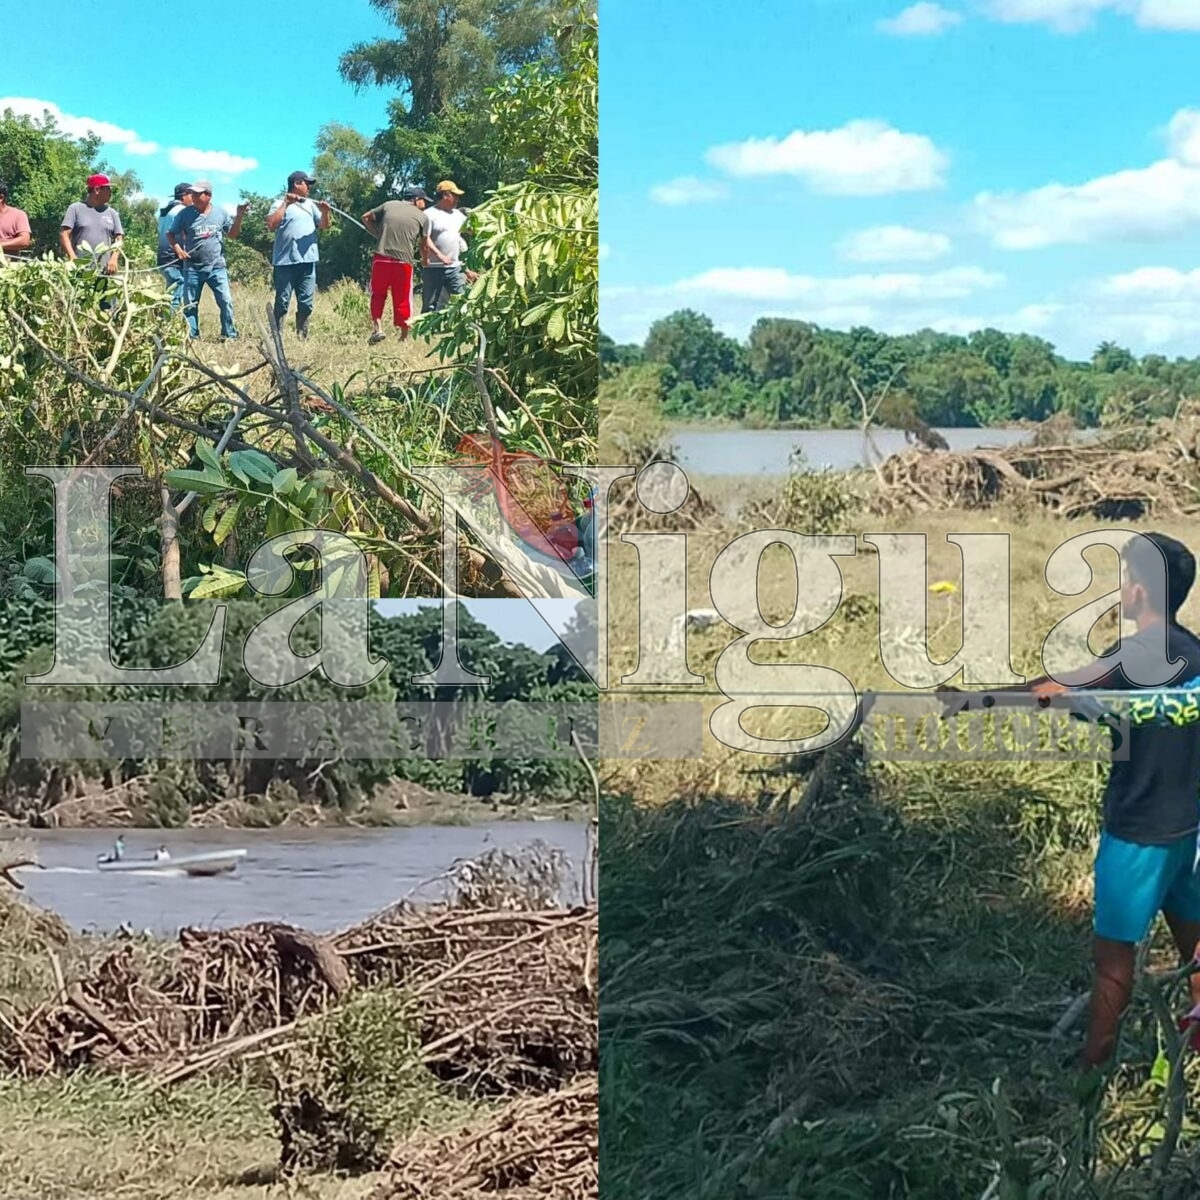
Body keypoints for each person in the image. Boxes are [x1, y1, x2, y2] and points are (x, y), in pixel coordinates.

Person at [945, 532, 1200, 1071]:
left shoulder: (1134, 656)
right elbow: (1097, 706)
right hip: (1187, 832)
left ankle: (1091, 1074)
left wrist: (973, 698)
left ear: (1140, 592)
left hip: (1136, 834)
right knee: (1194, 947)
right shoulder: (1194, 651)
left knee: (1112, 962)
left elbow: (1055, 689)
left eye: (1126, 579)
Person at [168, 180, 248, 341]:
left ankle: (229, 334)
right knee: (190, 305)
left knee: (226, 301)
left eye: (198, 194)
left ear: (208, 196)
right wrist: (178, 250)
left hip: (216, 267)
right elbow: (170, 234)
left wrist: (239, 216)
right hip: (192, 268)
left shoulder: (220, 213)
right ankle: (192, 336)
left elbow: (232, 235)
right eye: (193, 193)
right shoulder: (184, 214)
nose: (194, 196)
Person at [265, 170, 330, 339]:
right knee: (282, 301)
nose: (308, 187)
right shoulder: (279, 203)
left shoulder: (310, 205)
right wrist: (286, 203)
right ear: (297, 184)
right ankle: (276, 334)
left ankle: (302, 335)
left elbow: (323, 226)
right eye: (306, 184)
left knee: (306, 303)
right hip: (285, 262)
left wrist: (325, 212)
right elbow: (271, 224)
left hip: (308, 262)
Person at [362, 185, 431, 343]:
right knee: (403, 298)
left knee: (377, 294)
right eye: (423, 201)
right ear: (415, 200)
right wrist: (425, 260)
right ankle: (404, 336)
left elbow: (366, 217)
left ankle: (378, 328)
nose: (425, 205)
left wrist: (377, 234)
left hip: (381, 258)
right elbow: (424, 244)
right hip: (403, 262)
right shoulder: (423, 218)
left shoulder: (389, 205)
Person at [422, 180, 478, 314]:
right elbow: (425, 239)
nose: (458, 199)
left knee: (463, 299)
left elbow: (471, 230)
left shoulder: (458, 215)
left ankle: (466, 329)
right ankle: (426, 332)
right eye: (455, 195)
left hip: (455, 267)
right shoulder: (429, 214)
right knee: (430, 305)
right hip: (433, 267)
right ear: (446, 195)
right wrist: (439, 255)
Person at [60, 174, 124, 275]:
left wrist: (114, 259)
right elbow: (64, 235)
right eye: (108, 188)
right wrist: (72, 257)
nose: (111, 192)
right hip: (79, 270)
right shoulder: (75, 209)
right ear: (97, 190)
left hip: (104, 272)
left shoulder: (112, 213)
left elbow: (119, 239)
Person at [156, 182, 194, 312]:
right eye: (192, 195)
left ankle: (164, 320)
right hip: (173, 259)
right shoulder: (182, 211)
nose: (194, 198)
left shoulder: (165, 211)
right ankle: (169, 324)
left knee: (170, 291)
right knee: (178, 287)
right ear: (184, 196)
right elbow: (185, 234)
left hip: (163, 258)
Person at [0, 181, 32, 259]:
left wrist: (1, 245)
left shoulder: (18, 215)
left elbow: (24, 240)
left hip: (9, 266)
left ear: (1, 198)